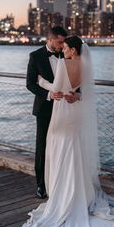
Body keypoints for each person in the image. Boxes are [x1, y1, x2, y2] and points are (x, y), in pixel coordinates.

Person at [22, 36, 114, 227]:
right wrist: (76, 95)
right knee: (74, 150)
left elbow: (56, 87)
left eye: (65, 47)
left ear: (73, 50)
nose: (62, 50)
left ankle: (62, 194)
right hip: (75, 109)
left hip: (61, 111)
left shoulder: (64, 64)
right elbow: (84, 90)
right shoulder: (84, 64)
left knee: (59, 151)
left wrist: (43, 83)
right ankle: (79, 191)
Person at [26, 27, 81, 199]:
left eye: (64, 43)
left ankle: (62, 184)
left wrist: (78, 95)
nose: (61, 45)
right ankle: (42, 186)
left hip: (67, 110)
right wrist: (49, 94)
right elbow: (30, 83)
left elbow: (80, 83)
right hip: (45, 109)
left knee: (65, 146)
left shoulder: (68, 56)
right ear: (49, 40)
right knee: (43, 147)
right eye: (59, 42)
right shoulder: (35, 56)